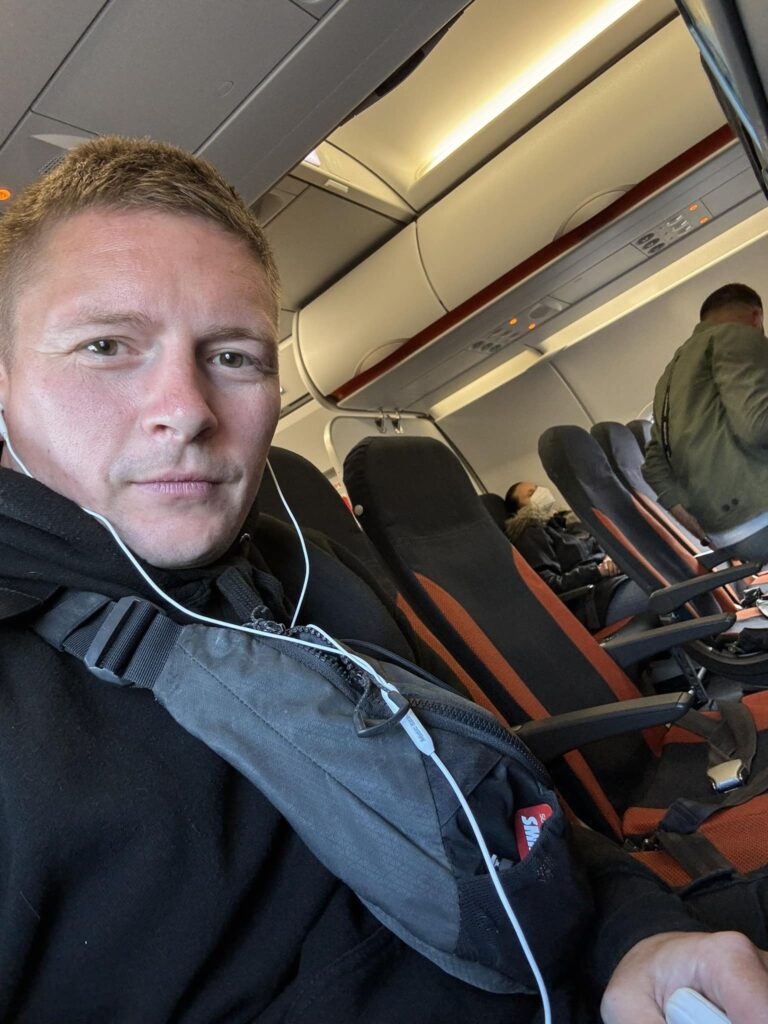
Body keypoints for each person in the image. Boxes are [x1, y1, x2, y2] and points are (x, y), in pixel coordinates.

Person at [0, 136, 767, 1024]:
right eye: (106, 345)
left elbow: (503, 820)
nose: (188, 409)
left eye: (235, 357)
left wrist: (641, 937)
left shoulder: (304, 583)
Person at [643, 283, 768, 562]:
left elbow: (654, 468)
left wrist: (705, 532)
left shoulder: (669, 375)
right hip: (760, 515)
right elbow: (758, 426)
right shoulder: (737, 336)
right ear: (756, 317)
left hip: (729, 536)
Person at [504, 481, 647, 629]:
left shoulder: (567, 522)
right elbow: (550, 585)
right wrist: (598, 571)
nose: (540, 492)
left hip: (614, 581)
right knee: (660, 591)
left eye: (537, 488)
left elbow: (601, 545)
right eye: (531, 494)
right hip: (594, 601)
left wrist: (609, 557)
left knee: (660, 575)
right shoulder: (530, 534)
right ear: (518, 510)